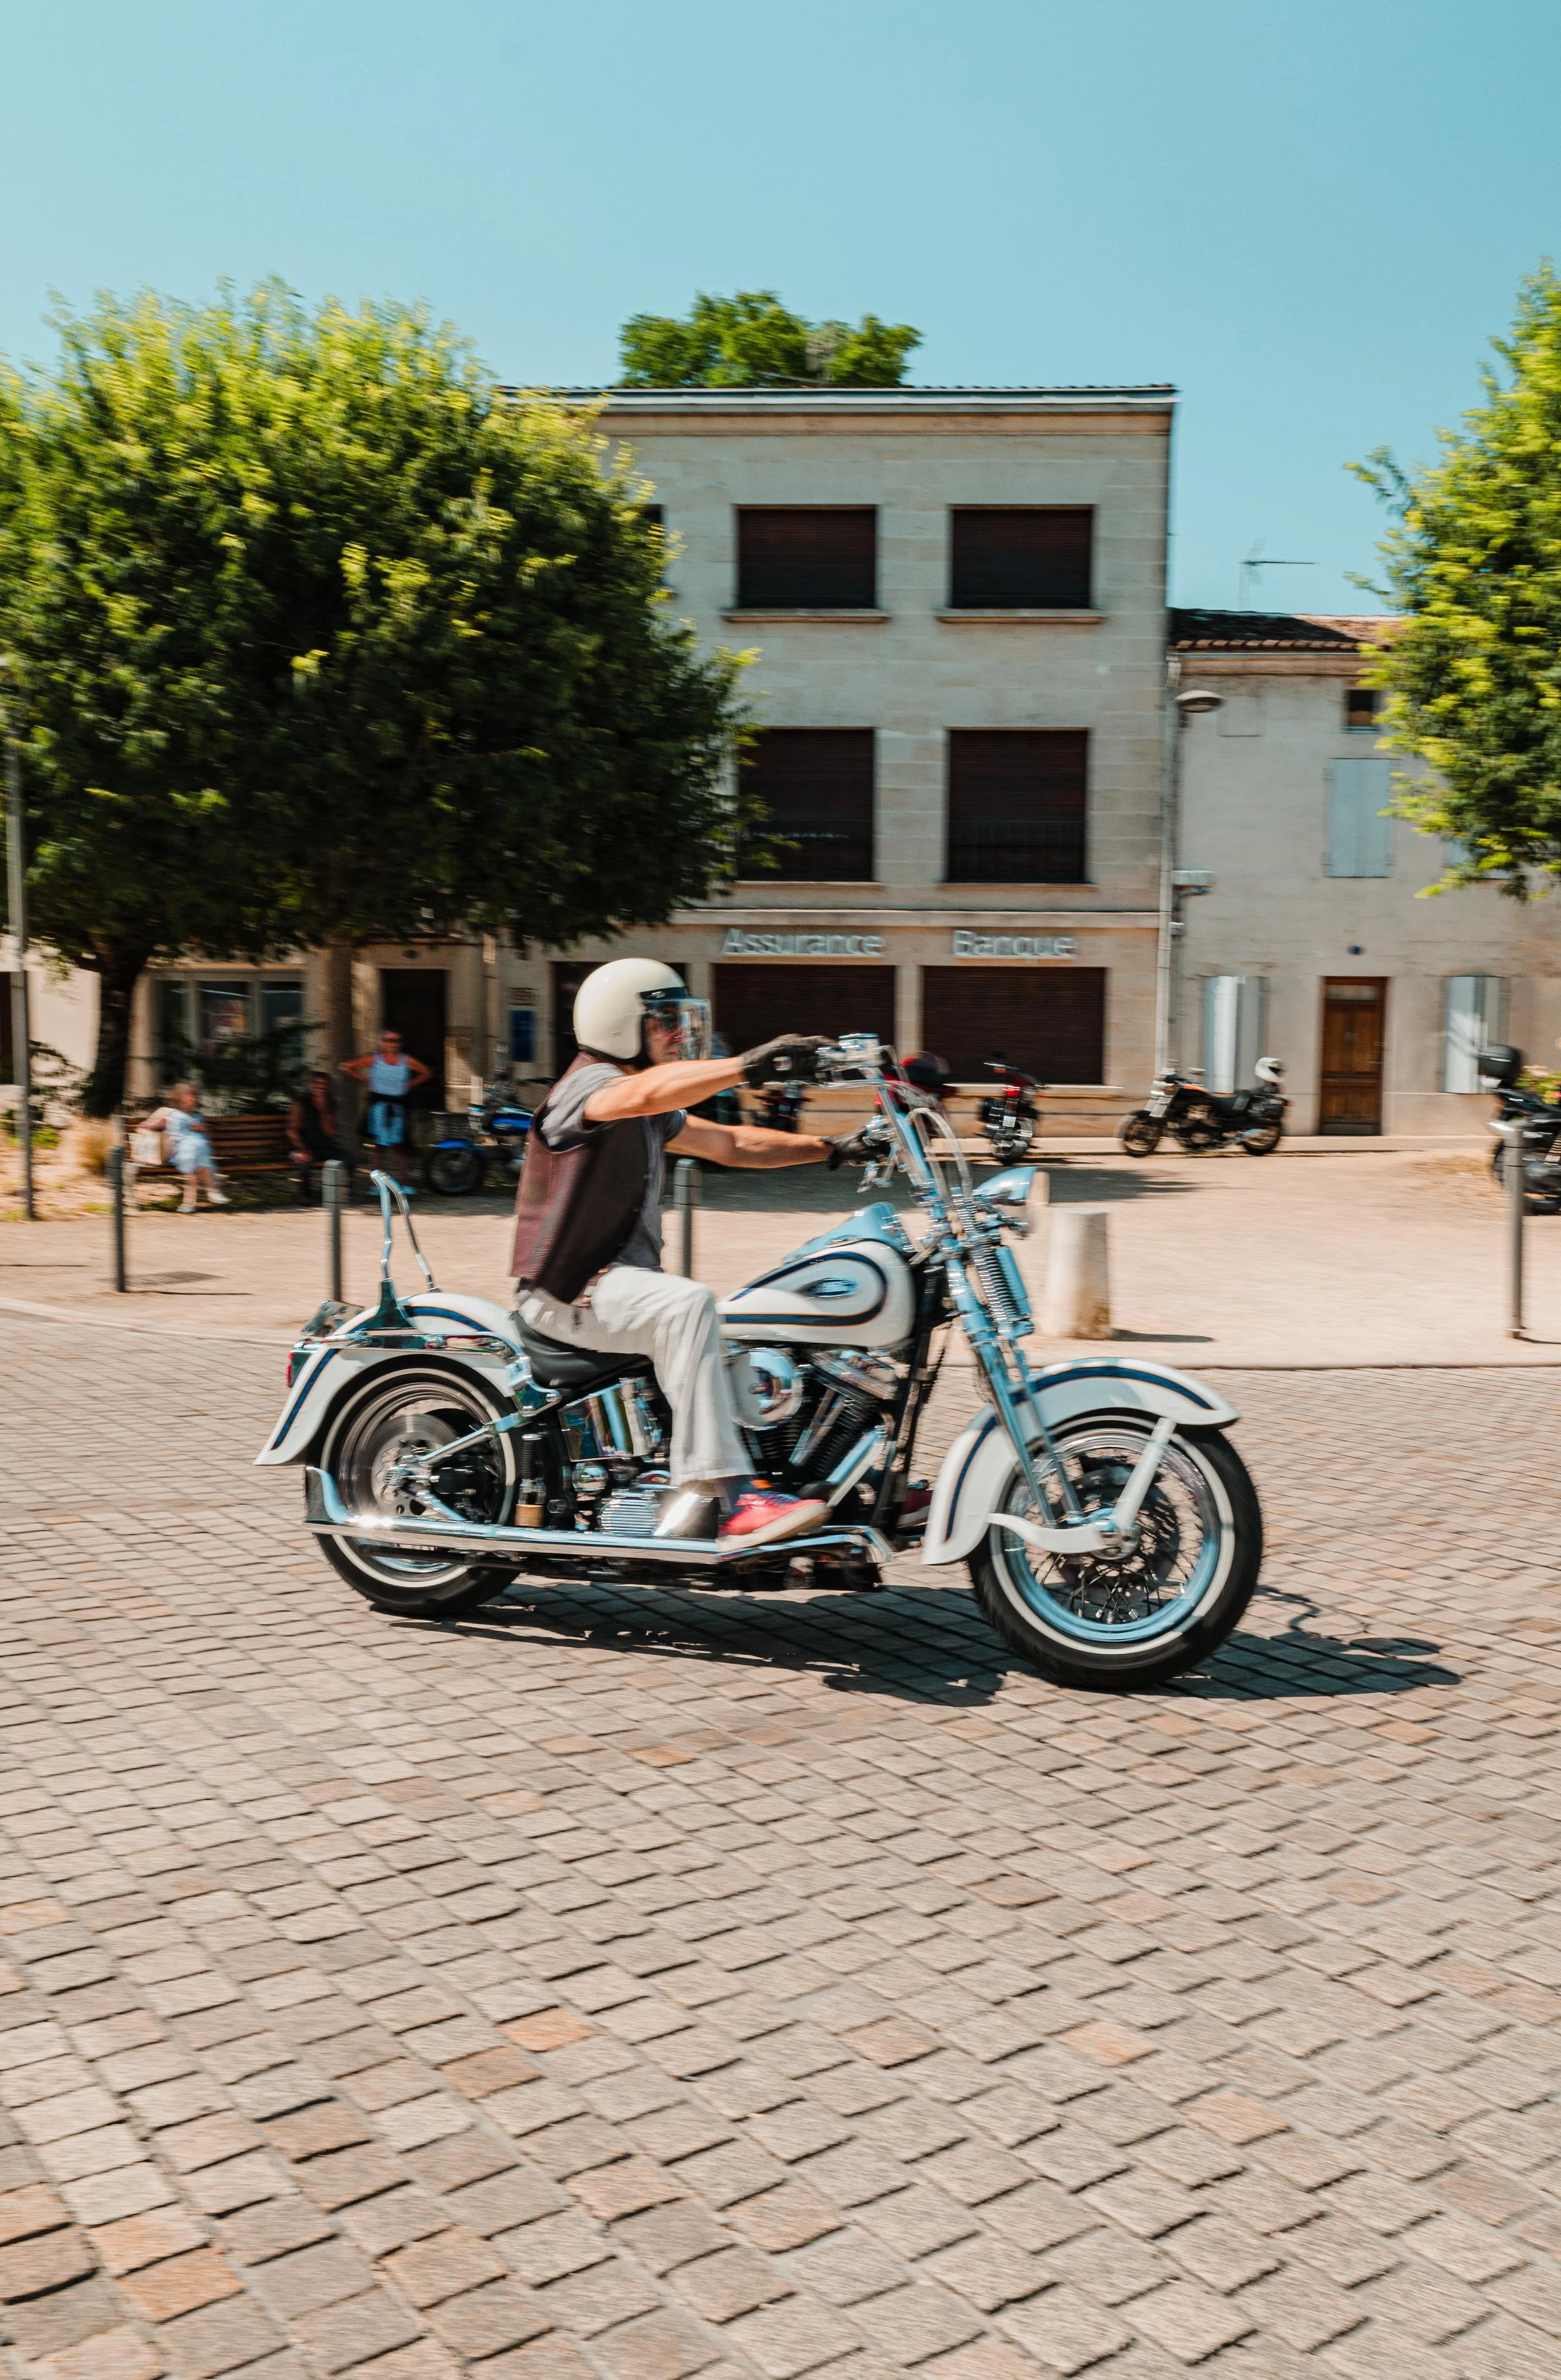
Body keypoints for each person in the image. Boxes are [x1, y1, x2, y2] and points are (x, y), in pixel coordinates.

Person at [510, 958, 877, 1549]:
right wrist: (746, 1066)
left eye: (679, 1022)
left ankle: (837, 1474)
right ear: (619, 1026)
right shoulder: (590, 1086)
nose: (678, 1035)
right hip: (572, 1289)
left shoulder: (649, 1104)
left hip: (616, 1286)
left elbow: (729, 1141)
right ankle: (728, 1497)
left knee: (756, 1325)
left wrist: (833, 1148)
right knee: (689, 1306)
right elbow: (637, 1094)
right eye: (663, 1022)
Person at [341, 1030, 431, 1183]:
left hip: (397, 1106)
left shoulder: (406, 1060)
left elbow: (426, 1072)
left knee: (400, 1146)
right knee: (379, 1147)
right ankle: (378, 1183)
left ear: (400, 1044)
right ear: (383, 1042)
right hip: (379, 1107)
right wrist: (365, 1080)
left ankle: (404, 1182)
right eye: (389, 1040)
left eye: (395, 1041)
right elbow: (347, 1067)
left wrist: (410, 1084)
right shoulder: (375, 1059)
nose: (392, 1044)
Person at [143, 1082, 229, 1212]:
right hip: (178, 1153)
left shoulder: (198, 1117)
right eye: (191, 1094)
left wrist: (202, 1128)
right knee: (196, 1154)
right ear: (181, 1096)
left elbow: (209, 1139)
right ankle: (212, 1191)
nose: (195, 1097)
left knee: (197, 1156)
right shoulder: (172, 1115)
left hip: (195, 1155)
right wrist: (146, 1127)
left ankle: (189, 1203)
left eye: (196, 1094)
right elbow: (153, 1125)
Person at [287, 1072, 349, 1206]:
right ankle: (306, 1195)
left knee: (350, 1159)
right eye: (318, 1083)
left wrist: (324, 1111)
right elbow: (292, 1130)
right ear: (311, 1085)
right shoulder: (301, 1103)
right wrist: (302, 1149)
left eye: (324, 1084)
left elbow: (331, 1134)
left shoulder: (331, 1105)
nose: (321, 1087)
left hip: (324, 1146)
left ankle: (340, 1193)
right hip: (303, 1146)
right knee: (304, 1161)